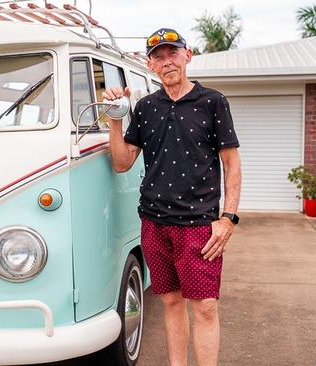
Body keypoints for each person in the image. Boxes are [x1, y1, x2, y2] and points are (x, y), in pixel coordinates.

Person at [104, 28, 242, 366]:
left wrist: (229, 218)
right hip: (154, 224)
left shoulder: (213, 102)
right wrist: (114, 120)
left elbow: (231, 164)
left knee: (206, 307)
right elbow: (123, 163)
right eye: (159, 57)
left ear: (187, 55)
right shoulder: (146, 108)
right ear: (151, 65)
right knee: (170, 302)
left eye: (173, 54)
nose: (167, 62)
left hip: (199, 226)